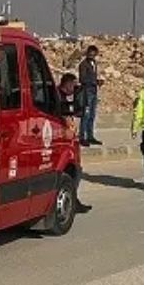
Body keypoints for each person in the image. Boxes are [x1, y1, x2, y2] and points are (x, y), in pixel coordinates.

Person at [57, 73, 92, 213]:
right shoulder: (59, 96)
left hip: (69, 138)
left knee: (75, 171)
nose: (74, 88)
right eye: (73, 84)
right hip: (63, 138)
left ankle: (74, 200)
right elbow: (63, 115)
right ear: (68, 83)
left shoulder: (65, 97)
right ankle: (73, 201)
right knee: (73, 171)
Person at [77, 46, 104, 146]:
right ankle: (82, 137)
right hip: (87, 91)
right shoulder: (83, 65)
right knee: (86, 115)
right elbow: (82, 79)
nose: (92, 55)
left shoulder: (94, 63)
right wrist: (95, 82)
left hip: (93, 91)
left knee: (92, 115)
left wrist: (97, 82)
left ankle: (90, 136)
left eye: (94, 54)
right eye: (90, 54)